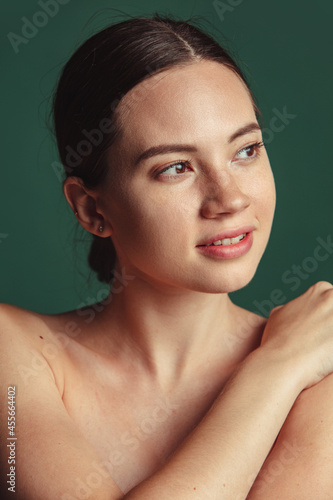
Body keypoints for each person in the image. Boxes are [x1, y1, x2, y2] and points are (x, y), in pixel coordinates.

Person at [1, 14, 333, 500]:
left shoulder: (321, 386)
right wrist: (275, 368)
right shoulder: (13, 357)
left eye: (246, 150)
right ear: (93, 208)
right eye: (175, 167)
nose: (230, 199)